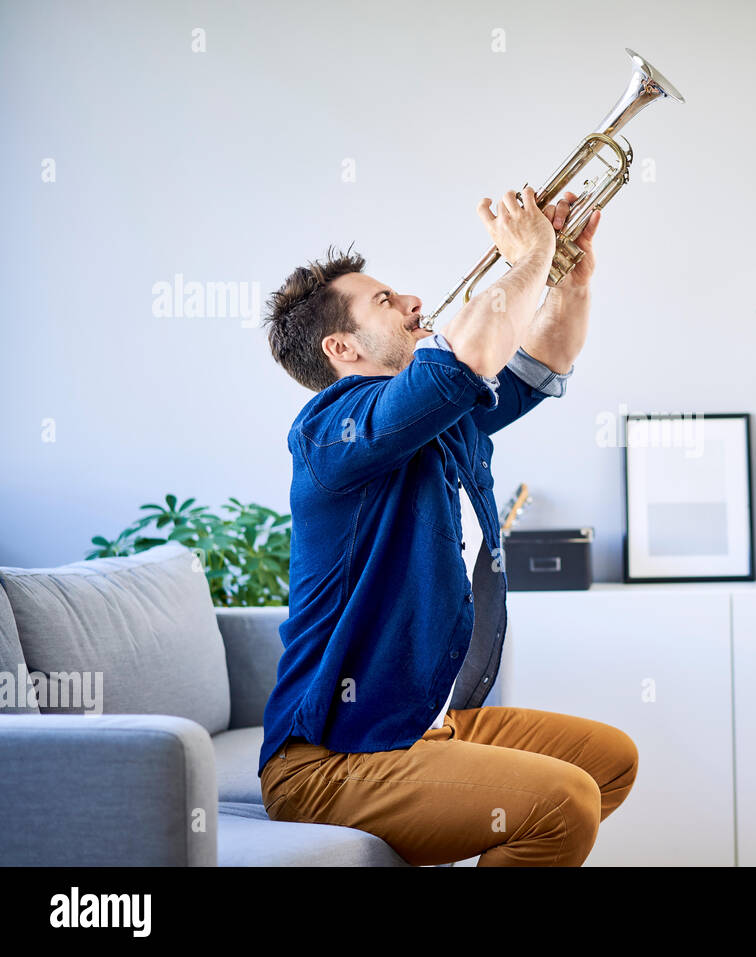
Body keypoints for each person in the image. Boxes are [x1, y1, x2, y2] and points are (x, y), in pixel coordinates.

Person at [257, 187, 636, 866]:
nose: (410, 301)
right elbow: (467, 355)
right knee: (565, 801)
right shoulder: (329, 430)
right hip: (328, 760)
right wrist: (530, 254)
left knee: (611, 761)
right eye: (384, 301)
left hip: (419, 724)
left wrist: (570, 280)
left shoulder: (439, 418)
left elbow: (540, 362)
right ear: (341, 346)